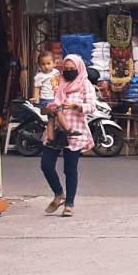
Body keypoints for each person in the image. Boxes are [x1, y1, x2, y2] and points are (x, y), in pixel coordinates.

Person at [40, 55, 94, 217]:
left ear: (79, 69)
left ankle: (69, 203)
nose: (69, 72)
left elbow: (91, 107)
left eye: (72, 69)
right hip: (55, 129)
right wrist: (49, 108)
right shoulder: (57, 82)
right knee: (46, 165)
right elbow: (46, 102)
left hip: (75, 129)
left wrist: (76, 105)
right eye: (66, 68)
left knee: (70, 169)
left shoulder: (85, 84)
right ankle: (59, 193)